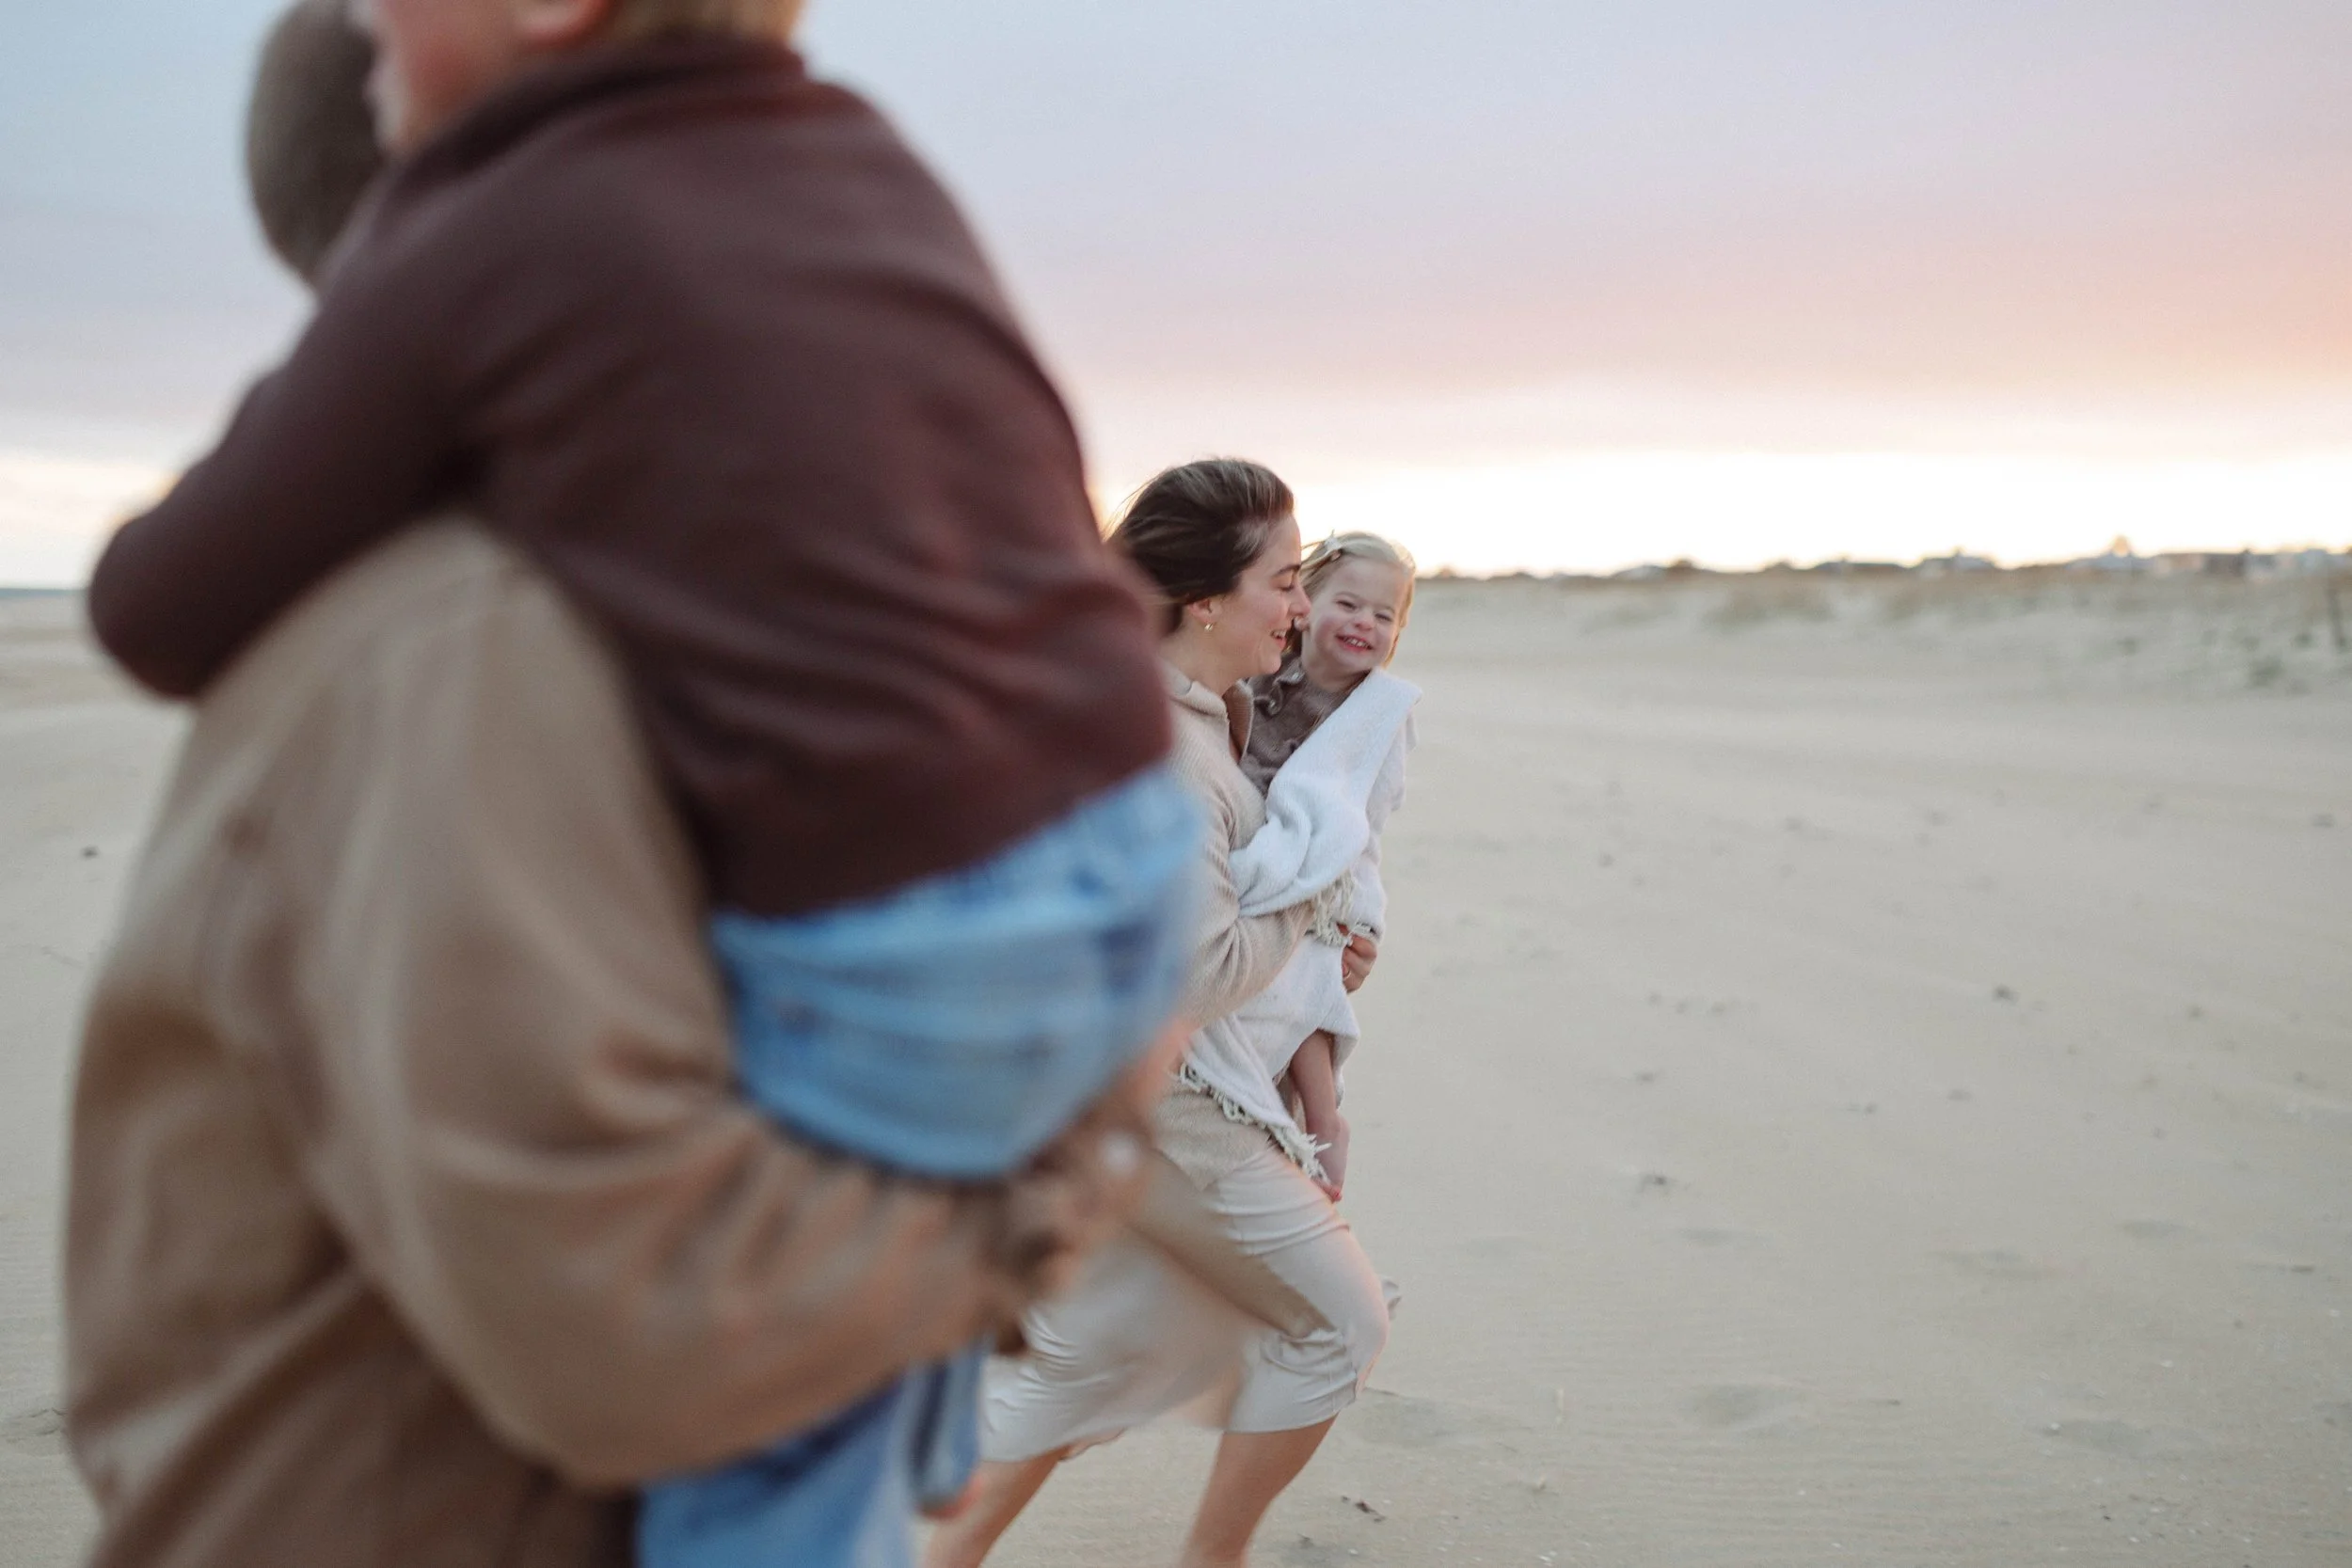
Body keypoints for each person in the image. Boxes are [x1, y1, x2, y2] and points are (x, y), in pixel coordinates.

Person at [84, 1, 1201, 1563]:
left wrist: (1028, 1219)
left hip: (918, 946)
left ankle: (880, 1439)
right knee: (884, 1156)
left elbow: (650, 1337)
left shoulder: (455, 630)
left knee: (776, 1492)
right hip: (1125, 830)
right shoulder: (855, 160)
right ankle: (915, 1420)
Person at [931, 462, 1398, 1568]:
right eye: (1285, 581)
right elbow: (1194, 973)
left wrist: (1312, 948)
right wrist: (1316, 908)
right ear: (1205, 600)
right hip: (1155, 1102)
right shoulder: (1163, 750)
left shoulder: (1195, 711)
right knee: (1339, 1323)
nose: (1300, 606)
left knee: (1091, 1350)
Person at [1234, 531, 1419, 1201]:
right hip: (1251, 854)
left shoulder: (1377, 714)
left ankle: (1322, 1115)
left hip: (1333, 867)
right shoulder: (1254, 670)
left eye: (1384, 615)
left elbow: (1368, 814)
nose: (1364, 624)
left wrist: (1345, 903)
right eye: (1349, 603)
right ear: (1304, 597)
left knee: (1318, 958)